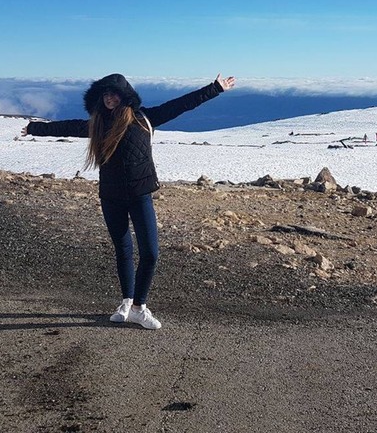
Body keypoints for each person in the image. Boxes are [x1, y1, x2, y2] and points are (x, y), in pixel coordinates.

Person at [20, 73, 235, 329]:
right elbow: (64, 126)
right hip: (110, 197)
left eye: (114, 94)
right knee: (123, 251)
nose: (109, 99)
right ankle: (126, 302)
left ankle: (139, 307)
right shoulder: (98, 124)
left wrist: (215, 88)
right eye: (106, 94)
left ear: (125, 96)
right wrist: (34, 128)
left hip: (140, 195)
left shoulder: (144, 118)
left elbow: (181, 104)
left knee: (150, 253)